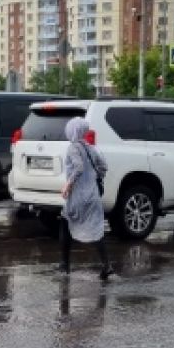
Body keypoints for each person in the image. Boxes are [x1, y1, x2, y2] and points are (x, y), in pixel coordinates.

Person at [60, 117, 112, 280]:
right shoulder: (90, 148)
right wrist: (94, 180)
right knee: (96, 229)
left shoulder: (73, 148)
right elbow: (103, 166)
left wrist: (68, 185)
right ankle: (106, 265)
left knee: (65, 223)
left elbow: (79, 167)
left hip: (78, 196)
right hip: (93, 195)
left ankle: (64, 265)